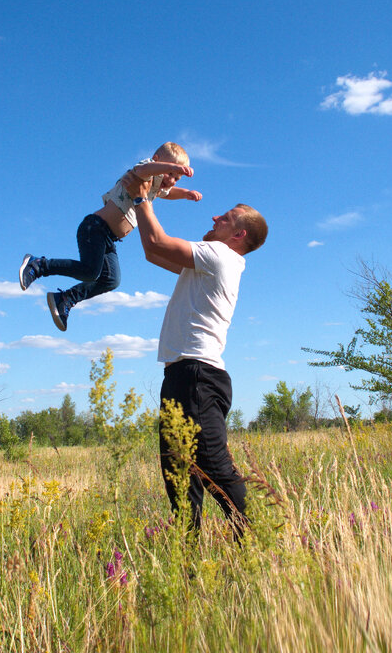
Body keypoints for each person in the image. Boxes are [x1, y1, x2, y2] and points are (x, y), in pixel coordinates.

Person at [123, 172, 267, 539]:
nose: (214, 217)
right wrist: (147, 198)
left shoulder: (220, 256)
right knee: (179, 475)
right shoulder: (212, 262)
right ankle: (187, 569)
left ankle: (254, 546)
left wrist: (142, 198)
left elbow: (156, 240)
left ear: (238, 235)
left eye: (226, 218)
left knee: (215, 468)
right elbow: (154, 250)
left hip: (197, 377)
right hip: (185, 376)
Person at [19, 142, 201, 332]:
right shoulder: (144, 170)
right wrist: (171, 167)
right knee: (90, 271)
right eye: (170, 174)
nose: (172, 180)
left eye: (177, 178)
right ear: (157, 160)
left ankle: (65, 299)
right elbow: (145, 169)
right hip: (95, 228)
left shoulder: (156, 187)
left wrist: (186, 194)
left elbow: (168, 193)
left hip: (109, 238)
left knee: (111, 279)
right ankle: (39, 265)